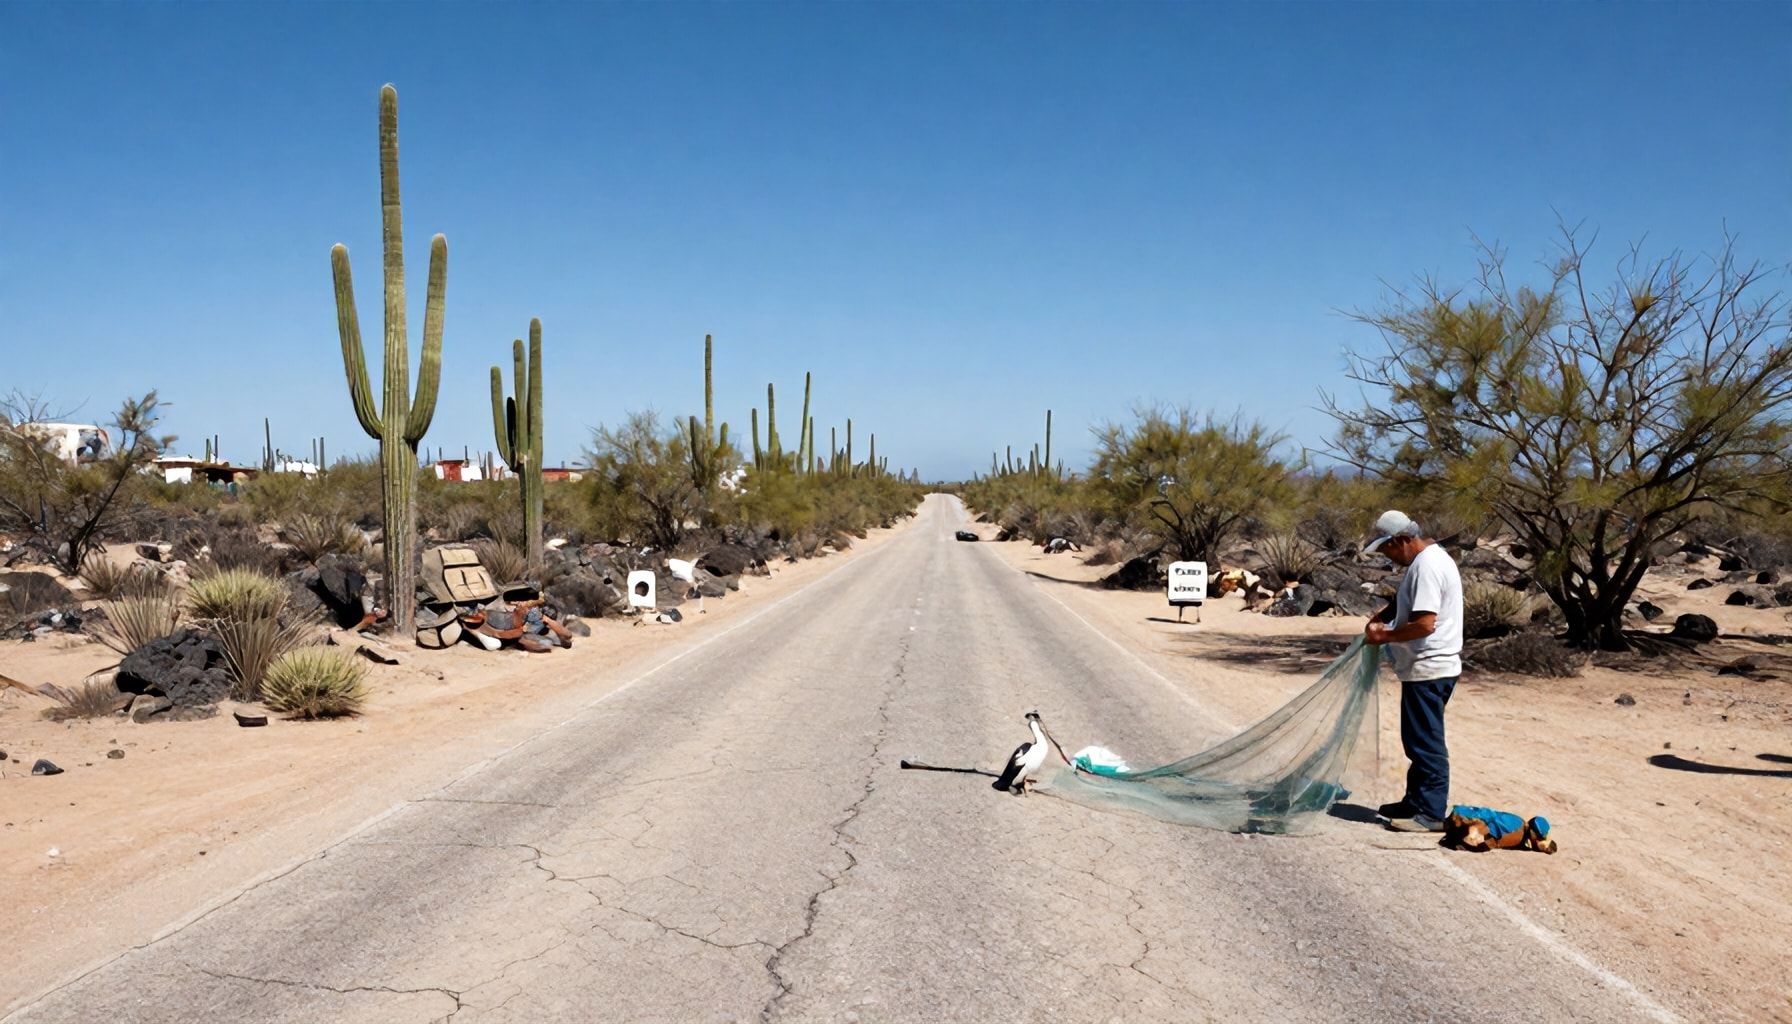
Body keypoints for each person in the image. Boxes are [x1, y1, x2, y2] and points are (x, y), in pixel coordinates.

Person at [1362, 510, 1463, 832]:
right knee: (1416, 739)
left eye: (1387, 549)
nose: (1387, 556)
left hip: (1430, 668)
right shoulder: (1425, 562)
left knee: (1425, 743)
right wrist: (1383, 616)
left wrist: (1385, 636)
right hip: (1424, 668)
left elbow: (1424, 624)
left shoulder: (1428, 566)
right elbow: (1408, 604)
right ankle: (1414, 801)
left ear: (1402, 540)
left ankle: (1431, 813)